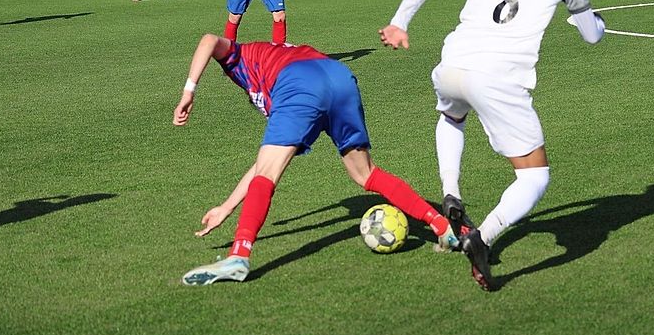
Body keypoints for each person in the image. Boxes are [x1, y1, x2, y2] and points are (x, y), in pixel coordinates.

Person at [378, 0, 606, 291]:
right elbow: (590, 36)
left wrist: (400, 23)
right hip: (499, 78)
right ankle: (481, 237)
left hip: (452, 63)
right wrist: (598, 22)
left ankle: (451, 193)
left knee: (451, 116)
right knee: (535, 177)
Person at [174, 34, 459, 285]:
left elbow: (209, 40)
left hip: (298, 81)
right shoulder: (275, 58)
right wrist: (225, 207)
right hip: (339, 76)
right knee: (366, 174)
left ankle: (239, 256)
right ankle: (443, 227)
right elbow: (265, 163)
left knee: (268, 174)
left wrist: (188, 92)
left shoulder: (242, 60)